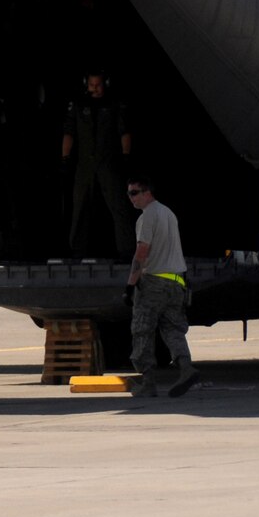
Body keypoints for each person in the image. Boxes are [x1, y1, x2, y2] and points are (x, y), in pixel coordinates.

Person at [127, 176, 198, 397]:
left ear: (147, 192)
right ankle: (186, 367)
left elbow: (142, 251)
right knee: (172, 328)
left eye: (134, 193)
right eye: (129, 194)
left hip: (154, 282)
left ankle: (148, 383)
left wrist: (131, 283)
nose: (131, 199)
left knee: (142, 330)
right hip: (176, 281)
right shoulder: (168, 213)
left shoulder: (147, 216)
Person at [62, 72, 133, 257]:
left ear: (105, 84)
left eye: (98, 84)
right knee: (79, 207)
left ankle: (125, 249)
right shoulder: (79, 105)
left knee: (118, 206)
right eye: (92, 84)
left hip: (108, 161)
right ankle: (76, 251)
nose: (95, 88)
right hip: (85, 164)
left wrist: (125, 155)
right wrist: (66, 157)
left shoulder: (114, 104)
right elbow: (69, 132)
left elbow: (124, 131)